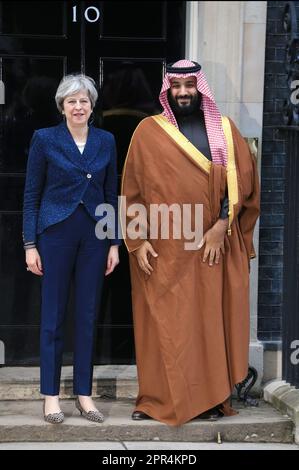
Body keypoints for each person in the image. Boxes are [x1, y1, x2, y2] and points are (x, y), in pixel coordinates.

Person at [121, 59, 260, 426]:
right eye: (177, 86)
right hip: (162, 249)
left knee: (206, 324)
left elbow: (242, 186)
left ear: (201, 89)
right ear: (168, 90)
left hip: (210, 249)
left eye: (190, 85)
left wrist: (220, 227)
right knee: (160, 325)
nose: (184, 92)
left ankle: (211, 399)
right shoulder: (147, 132)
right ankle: (153, 400)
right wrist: (137, 241)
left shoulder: (225, 132)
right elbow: (132, 191)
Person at [23, 74, 120, 424]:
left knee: (87, 315)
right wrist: (30, 244)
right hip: (56, 234)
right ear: (62, 106)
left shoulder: (106, 140)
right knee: (52, 316)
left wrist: (114, 243)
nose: (78, 107)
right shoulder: (45, 139)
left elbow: (112, 194)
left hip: (95, 236)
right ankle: (50, 396)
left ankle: (84, 394)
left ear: (92, 106)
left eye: (84, 101)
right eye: (72, 101)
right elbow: (32, 195)